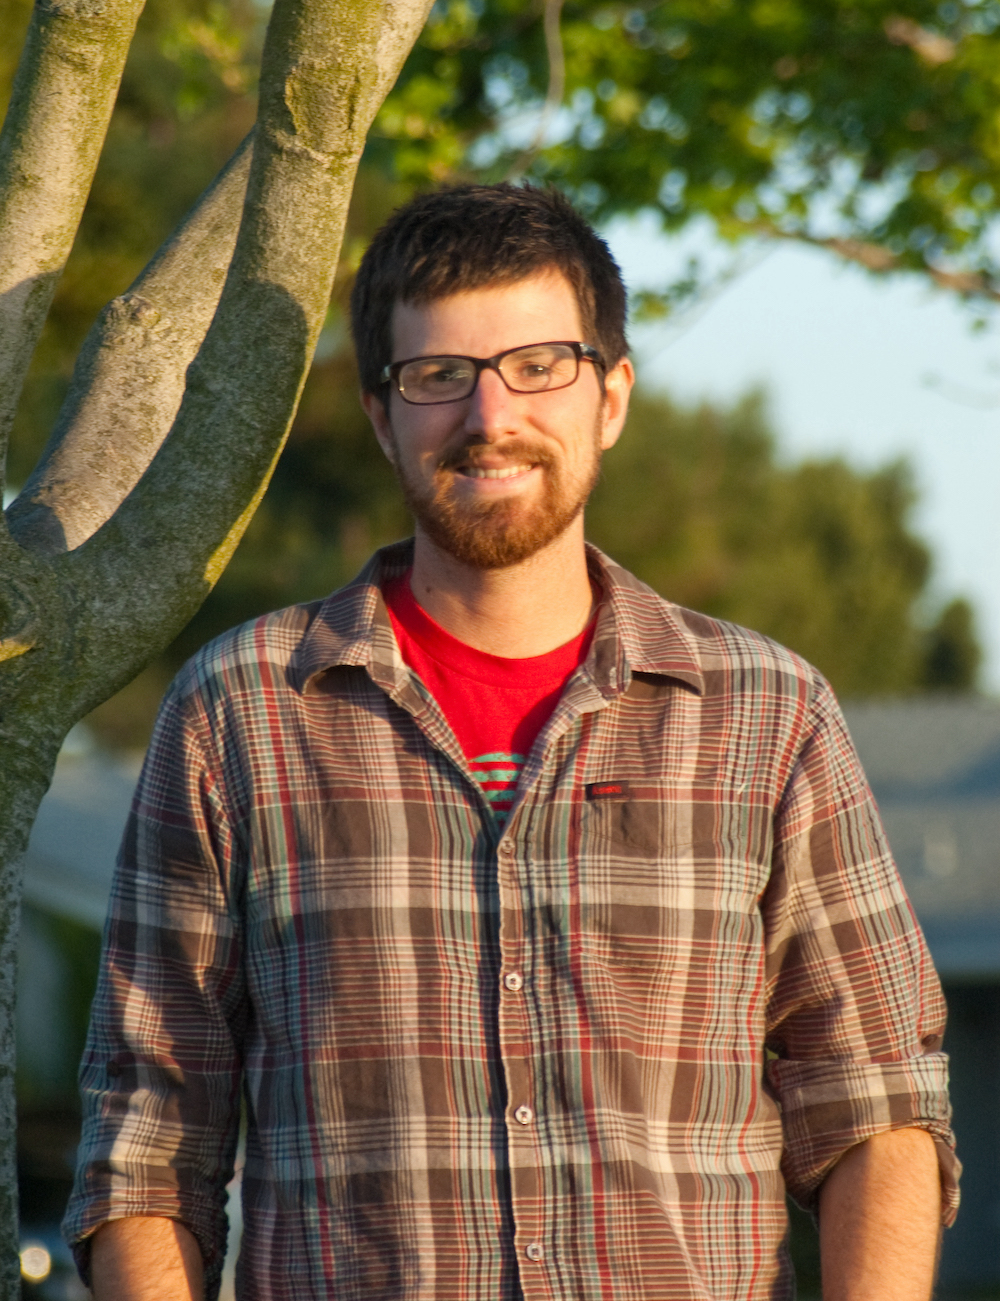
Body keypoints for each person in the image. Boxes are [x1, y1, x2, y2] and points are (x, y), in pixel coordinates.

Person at [64, 184, 958, 1301]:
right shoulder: (240, 711)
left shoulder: (766, 715)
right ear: (383, 416)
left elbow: (873, 1098)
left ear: (611, 397)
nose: (491, 416)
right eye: (439, 376)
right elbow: (151, 1136)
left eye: (538, 364)